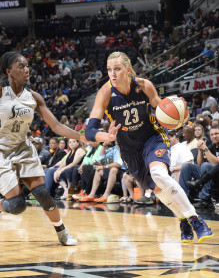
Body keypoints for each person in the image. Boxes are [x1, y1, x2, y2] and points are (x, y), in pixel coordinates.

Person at [84, 51, 213, 243]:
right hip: (129, 149)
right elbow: (89, 131)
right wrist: (106, 136)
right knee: (159, 190)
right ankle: (182, 220)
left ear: (128, 70)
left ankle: (196, 220)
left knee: (159, 174)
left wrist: (176, 117)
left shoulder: (144, 86)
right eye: (109, 70)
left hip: (153, 138)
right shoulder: (105, 93)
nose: (112, 73)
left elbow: (162, 110)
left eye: (117, 69)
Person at [0, 52, 113, 246]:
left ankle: (62, 232)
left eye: (27, 65)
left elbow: (57, 126)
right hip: (2, 152)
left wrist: (82, 136)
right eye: (20, 66)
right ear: (9, 71)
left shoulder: (33, 97)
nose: (26, 69)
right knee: (17, 205)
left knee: (43, 194)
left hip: (23, 149)